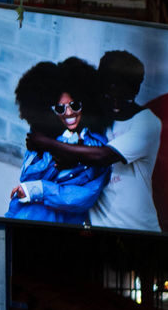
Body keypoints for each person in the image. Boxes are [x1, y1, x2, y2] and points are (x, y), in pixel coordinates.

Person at [27, 50, 162, 232]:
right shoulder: (96, 116)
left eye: (124, 98)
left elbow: (103, 156)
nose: (115, 104)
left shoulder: (147, 122)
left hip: (138, 229)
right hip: (97, 228)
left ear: (136, 91)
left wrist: (47, 143)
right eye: (109, 97)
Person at [7, 58, 110, 225]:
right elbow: (26, 176)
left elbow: (84, 197)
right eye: (60, 108)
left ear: (86, 103)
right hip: (22, 215)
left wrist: (39, 189)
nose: (68, 113)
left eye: (74, 105)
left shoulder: (95, 147)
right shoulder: (45, 136)